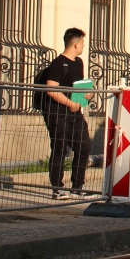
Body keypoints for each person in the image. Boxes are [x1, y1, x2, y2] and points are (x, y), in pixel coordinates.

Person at [42, 27, 92, 199]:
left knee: (84, 146)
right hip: (57, 113)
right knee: (60, 149)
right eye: (83, 43)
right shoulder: (58, 63)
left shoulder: (78, 63)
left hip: (75, 112)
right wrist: (70, 103)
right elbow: (51, 88)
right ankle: (57, 188)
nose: (84, 46)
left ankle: (78, 186)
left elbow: (80, 85)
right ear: (76, 44)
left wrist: (88, 93)